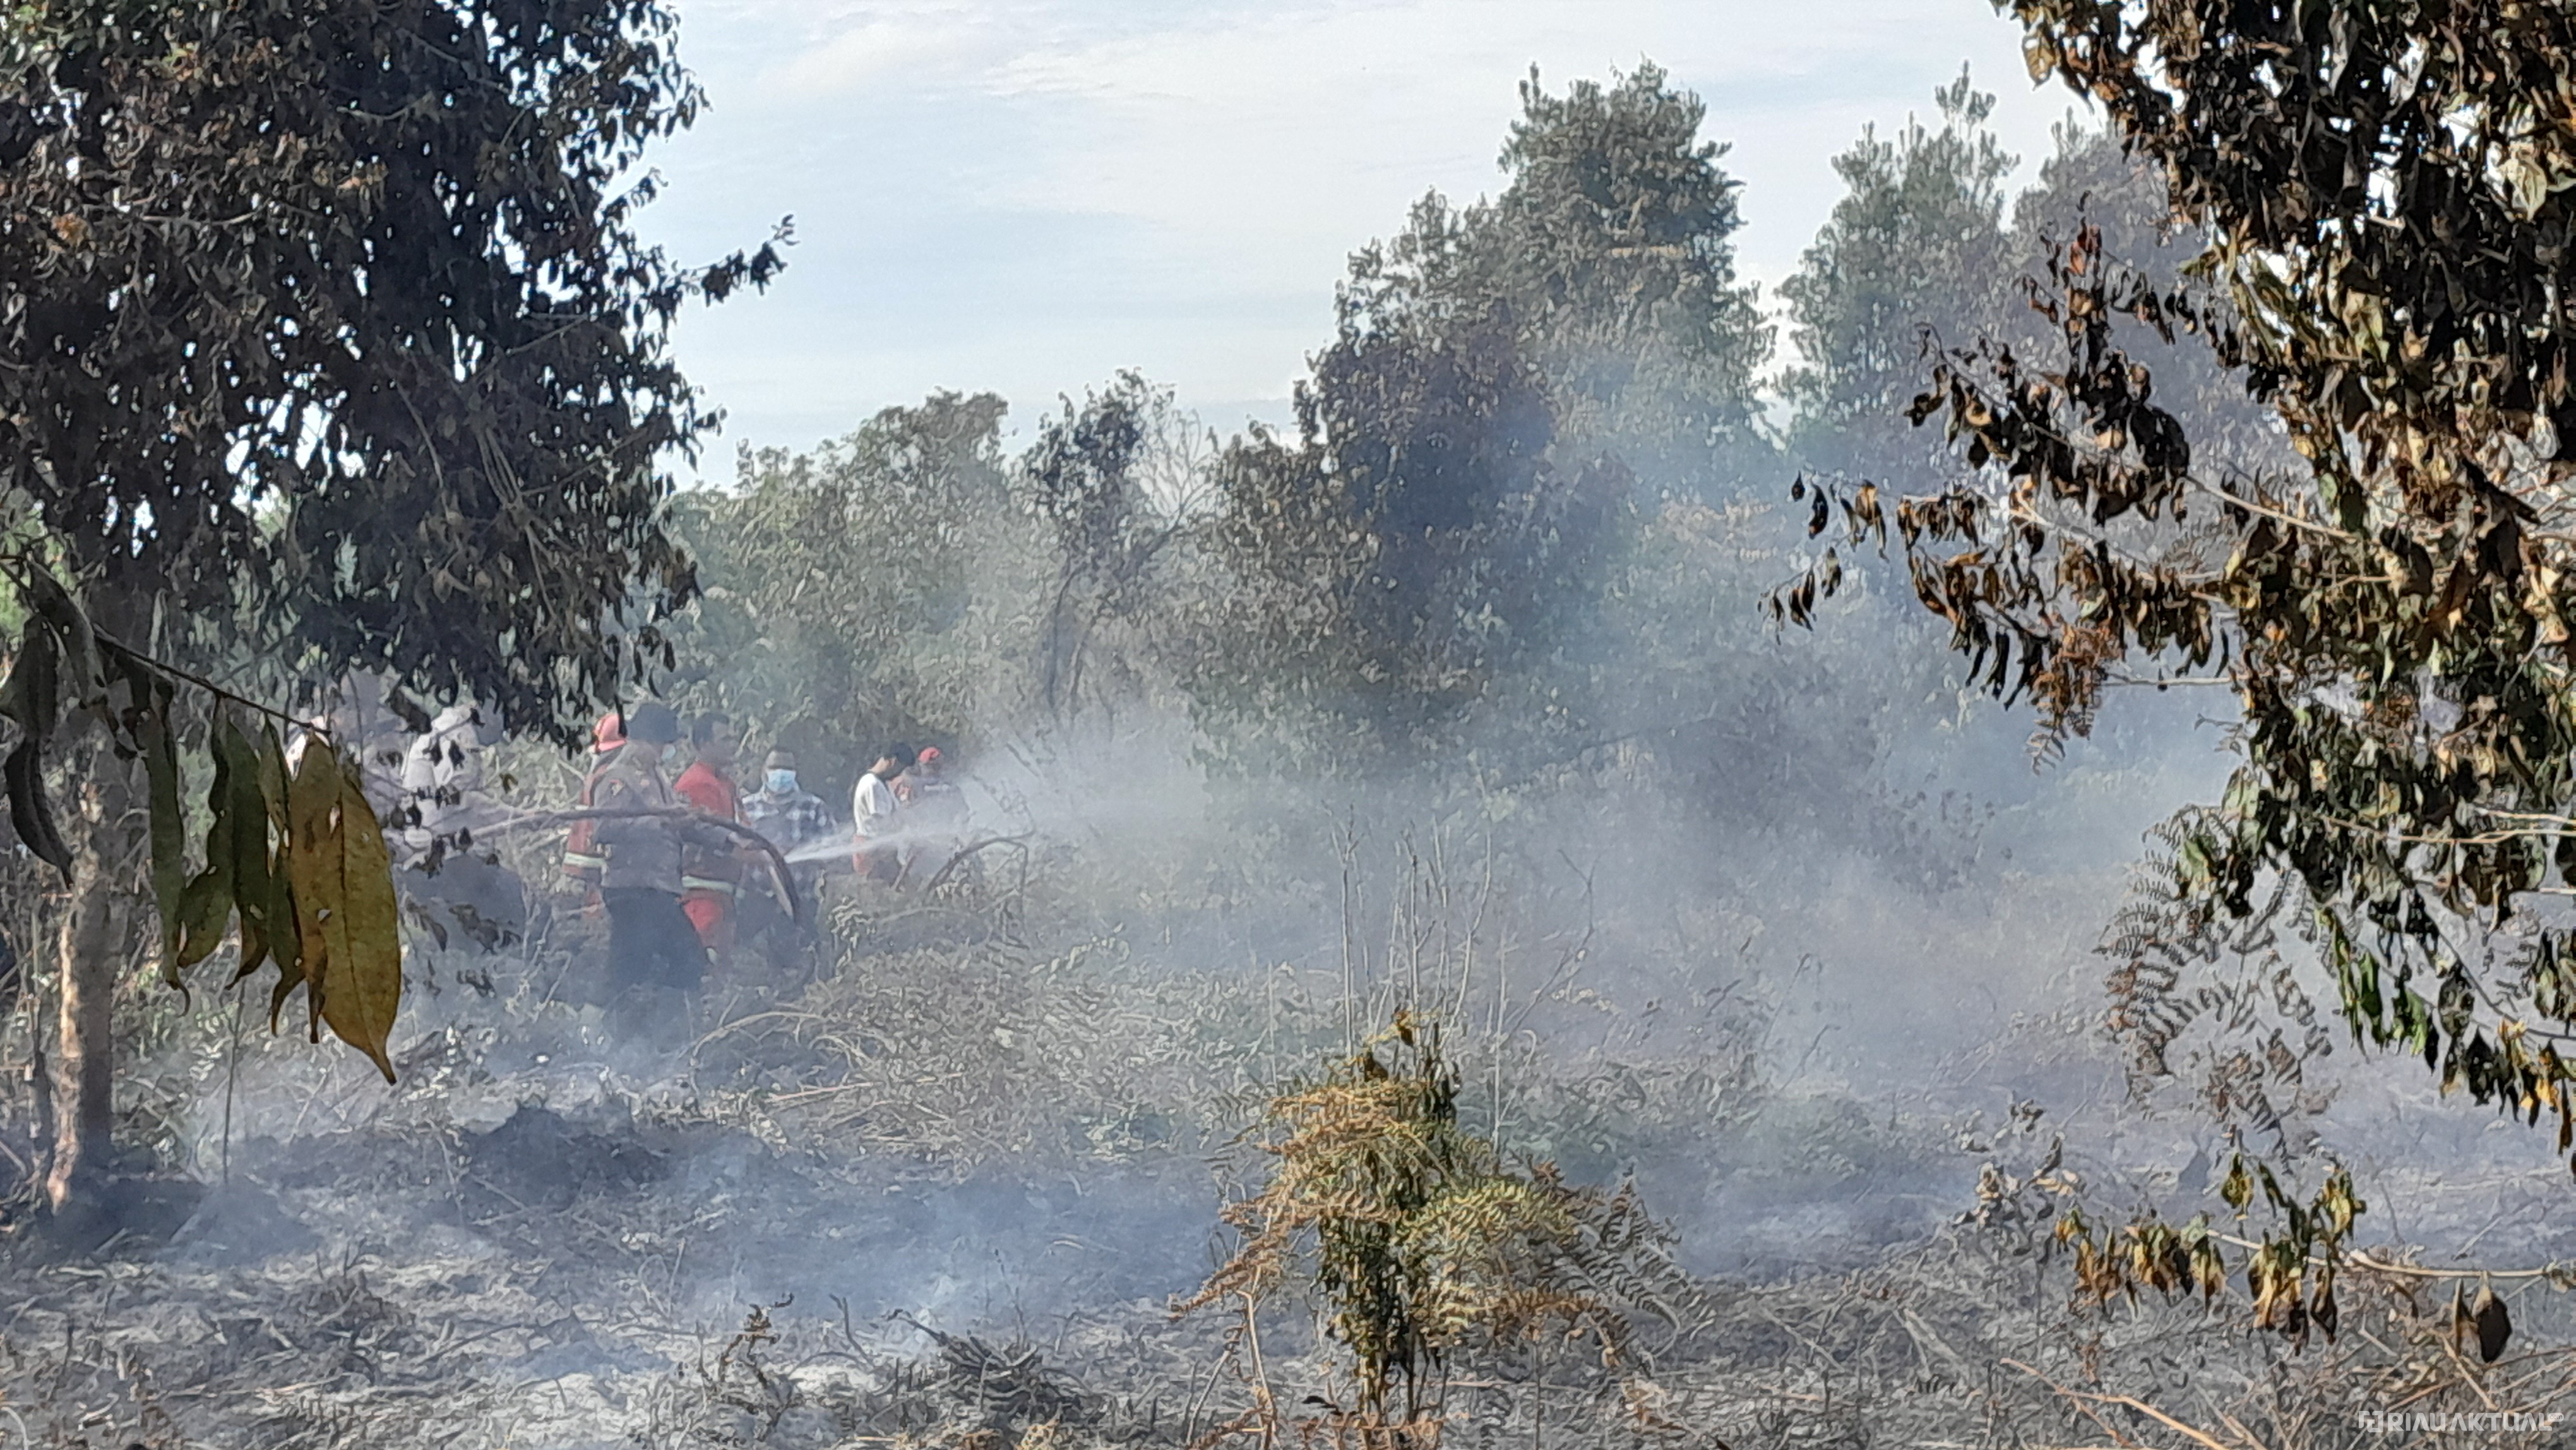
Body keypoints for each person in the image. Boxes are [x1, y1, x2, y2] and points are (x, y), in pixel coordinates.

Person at [588, 704, 730, 1037]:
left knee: (647, 965)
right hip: (633, 888)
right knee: (671, 962)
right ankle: (622, 1037)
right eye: (662, 745)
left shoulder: (657, 776)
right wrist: (659, 820)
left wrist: (726, 842)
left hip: (658, 887)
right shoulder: (618, 779)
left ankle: (648, 1036)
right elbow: (604, 829)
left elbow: (677, 821)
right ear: (643, 741)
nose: (665, 752)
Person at [672, 712, 746, 968]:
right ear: (703, 744)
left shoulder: (725, 783)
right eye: (725, 739)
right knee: (704, 961)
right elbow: (705, 834)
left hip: (722, 892)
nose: (733, 745)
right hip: (702, 894)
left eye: (734, 739)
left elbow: (743, 829)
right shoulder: (695, 784)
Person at [559, 710, 626, 910]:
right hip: (596, 857)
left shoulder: (597, 774)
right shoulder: (612, 776)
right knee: (597, 907)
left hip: (584, 854)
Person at [894, 745, 969, 888]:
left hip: (938, 846)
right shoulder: (947, 786)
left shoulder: (914, 785)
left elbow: (903, 813)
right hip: (923, 847)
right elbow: (963, 814)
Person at [743, 749, 832, 856]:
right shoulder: (746, 807)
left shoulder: (815, 807)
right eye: (774, 767)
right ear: (764, 771)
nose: (781, 773)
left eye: (787, 768)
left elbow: (831, 844)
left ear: (795, 772)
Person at [851, 748, 909, 885]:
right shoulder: (871, 784)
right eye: (900, 768)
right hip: (874, 851)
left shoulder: (883, 784)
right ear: (892, 762)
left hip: (883, 850)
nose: (899, 773)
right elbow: (881, 819)